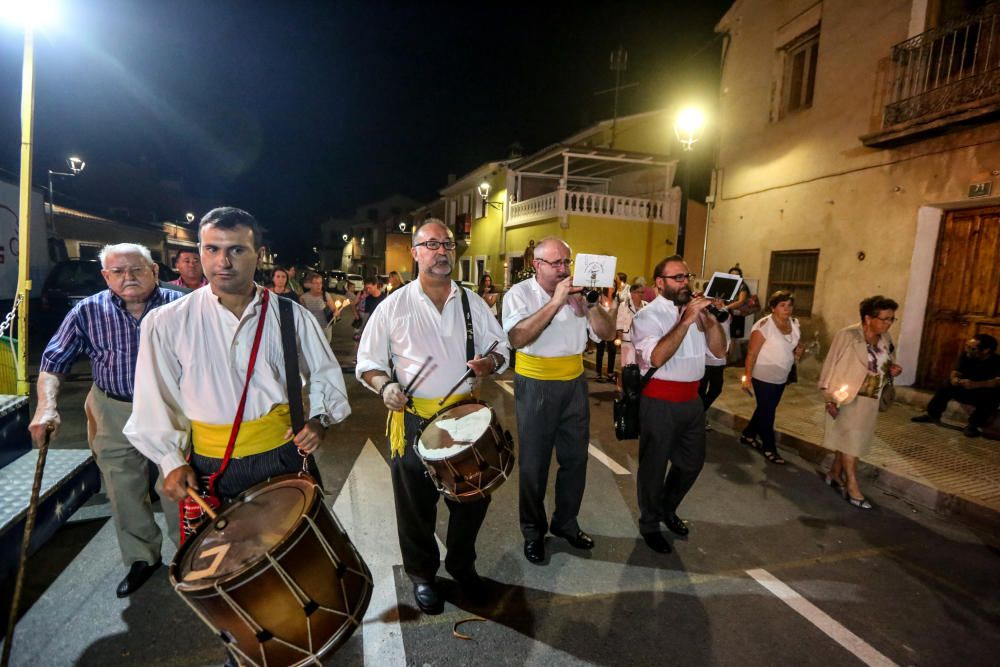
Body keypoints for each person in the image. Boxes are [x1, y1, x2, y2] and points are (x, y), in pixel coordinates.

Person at [124, 206, 350, 510]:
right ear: (200, 251)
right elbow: (155, 396)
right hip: (209, 467)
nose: (223, 261)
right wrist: (170, 459)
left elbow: (325, 371)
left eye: (237, 250)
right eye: (212, 249)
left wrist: (320, 418)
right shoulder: (167, 322)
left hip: (283, 457)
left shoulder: (290, 314)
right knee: (223, 557)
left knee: (299, 554)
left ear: (259, 253)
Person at [356, 219, 508, 615]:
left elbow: (502, 348)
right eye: (432, 244)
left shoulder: (473, 303)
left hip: (464, 419)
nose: (441, 251)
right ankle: (423, 575)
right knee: (415, 506)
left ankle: (461, 564)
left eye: (447, 244)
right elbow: (368, 363)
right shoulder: (394, 305)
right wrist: (385, 385)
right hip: (412, 421)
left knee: (472, 499)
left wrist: (490, 361)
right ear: (416, 252)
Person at [29, 243, 184, 597]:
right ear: (105, 276)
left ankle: (190, 555)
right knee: (122, 487)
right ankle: (141, 558)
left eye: (137, 269)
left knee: (176, 484)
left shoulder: (182, 304)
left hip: (170, 408)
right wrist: (46, 407)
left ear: (155, 271)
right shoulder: (87, 311)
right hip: (112, 409)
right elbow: (54, 361)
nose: (128, 277)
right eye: (118, 271)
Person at [503, 237, 617, 564]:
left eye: (567, 263)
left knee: (575, 460)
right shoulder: (520, 294)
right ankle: (533, 532)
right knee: (535, 465)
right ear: (537, 265)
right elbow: (517, 337)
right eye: (556, 263)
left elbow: (607, 335)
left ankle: (566, 522)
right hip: (536, 383)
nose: (563, 269)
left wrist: (592, 306)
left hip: (574, 384)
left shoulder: (580, 295)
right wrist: (555, 302)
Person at [631, 255, 726, 553]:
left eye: (688, 276)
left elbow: (720, 353)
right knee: (654, 467)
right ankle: (649, 523)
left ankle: (667, 508)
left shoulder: (698, 314)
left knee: (691, 463)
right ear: (660, 283)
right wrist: (686, 320)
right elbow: (656, 357)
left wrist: (709, 319)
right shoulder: (646, 317)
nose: (687, 283)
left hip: (692, 402)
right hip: (659, 401)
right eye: (679, 278)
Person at [818, 295, 902, 510]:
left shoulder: (886, 338)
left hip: (871, 398)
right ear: (868, 318)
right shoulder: (847, 335)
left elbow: (886, 363)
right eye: (884, 319)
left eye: (891, 319)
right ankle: (852, 486)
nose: (888, 323)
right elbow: (830, 364)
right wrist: (829, 397)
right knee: (852, 443)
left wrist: (893, 368)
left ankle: (834, 473)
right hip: (846, 396)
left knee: (850, 439)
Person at [739, 291, 803, 464]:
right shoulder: (764, 326)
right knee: (768, 412)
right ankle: (769, 447)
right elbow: (751, 354)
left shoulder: (795, 323)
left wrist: (798, 350)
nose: (787, 309)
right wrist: (747, 376)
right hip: (764, 374)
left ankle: (748, 434)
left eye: (789, 305)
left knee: (765, 408)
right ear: (773, 307)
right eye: (782, 305)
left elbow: (794, 345)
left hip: (783, 373)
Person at [911, 334, 999, 437]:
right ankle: (932, 415)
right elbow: (956, 371)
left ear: (986, 351)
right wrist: (954, 379)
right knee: (946, 384)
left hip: (981, 393)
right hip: (965, 389)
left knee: (995, 395)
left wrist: (976, 384)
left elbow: (997, 382)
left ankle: (973, 425)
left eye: (972, 348)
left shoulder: (997, 361)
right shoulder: (966, 355)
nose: (967, 350)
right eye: (967, 346)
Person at [616, 283, 647, 367]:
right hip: (627, 340)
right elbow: (620, 322)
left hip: (643, 340)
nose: (641, 294)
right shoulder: (624, 305)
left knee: (641, 365)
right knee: (627, 365)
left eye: (642, 292)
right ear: (632, 293)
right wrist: (619, 337)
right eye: (638, 292)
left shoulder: (647, 305)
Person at [726, 265, 752, 341]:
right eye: (732, 275)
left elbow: (741, 302)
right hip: (728, 313)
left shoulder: (742, 286)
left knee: (733, 337)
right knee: (727, 335)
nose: (734, 276)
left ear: (740, 276)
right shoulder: (728, 285)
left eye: (736, 275)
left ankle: (730, 353)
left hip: (736, 314)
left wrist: (726, 307)